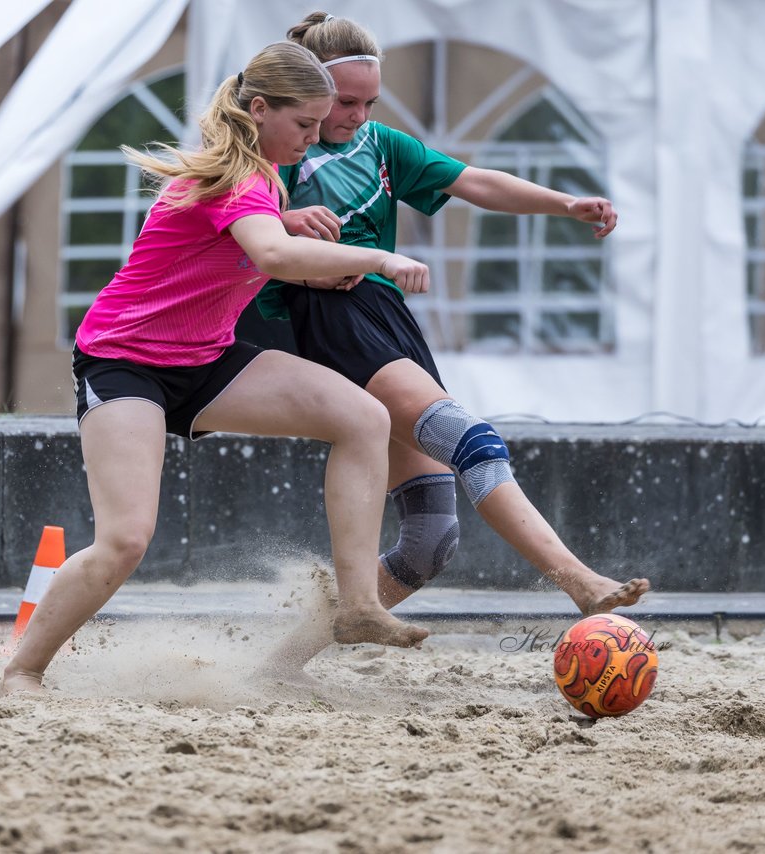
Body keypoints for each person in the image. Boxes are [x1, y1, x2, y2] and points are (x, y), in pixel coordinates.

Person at [0, 41, 435, 698]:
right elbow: (273, 255)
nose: (315, 139)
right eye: (305, 125)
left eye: (320, 125)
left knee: (363, 417)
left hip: (205, 359)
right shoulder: (238, 177)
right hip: (126, 363)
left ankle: (358, 605)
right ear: (259, 109)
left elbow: (256, 237)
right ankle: (22, 672)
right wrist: (373, 259)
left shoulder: (260, 175)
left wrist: (303, 238)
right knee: (125, 540)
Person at [248, 13, 650, 669]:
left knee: (430, 539)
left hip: (383, 316)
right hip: (326, 319)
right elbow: (233, 216)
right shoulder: (272, 150)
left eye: (367, 102)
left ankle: (279, 663)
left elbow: (475, 181)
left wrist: (564, 204)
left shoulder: (381, 146)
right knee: (471, 439)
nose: (353, 115)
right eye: (343, 102)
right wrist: (285, 219)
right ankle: (579, 581)